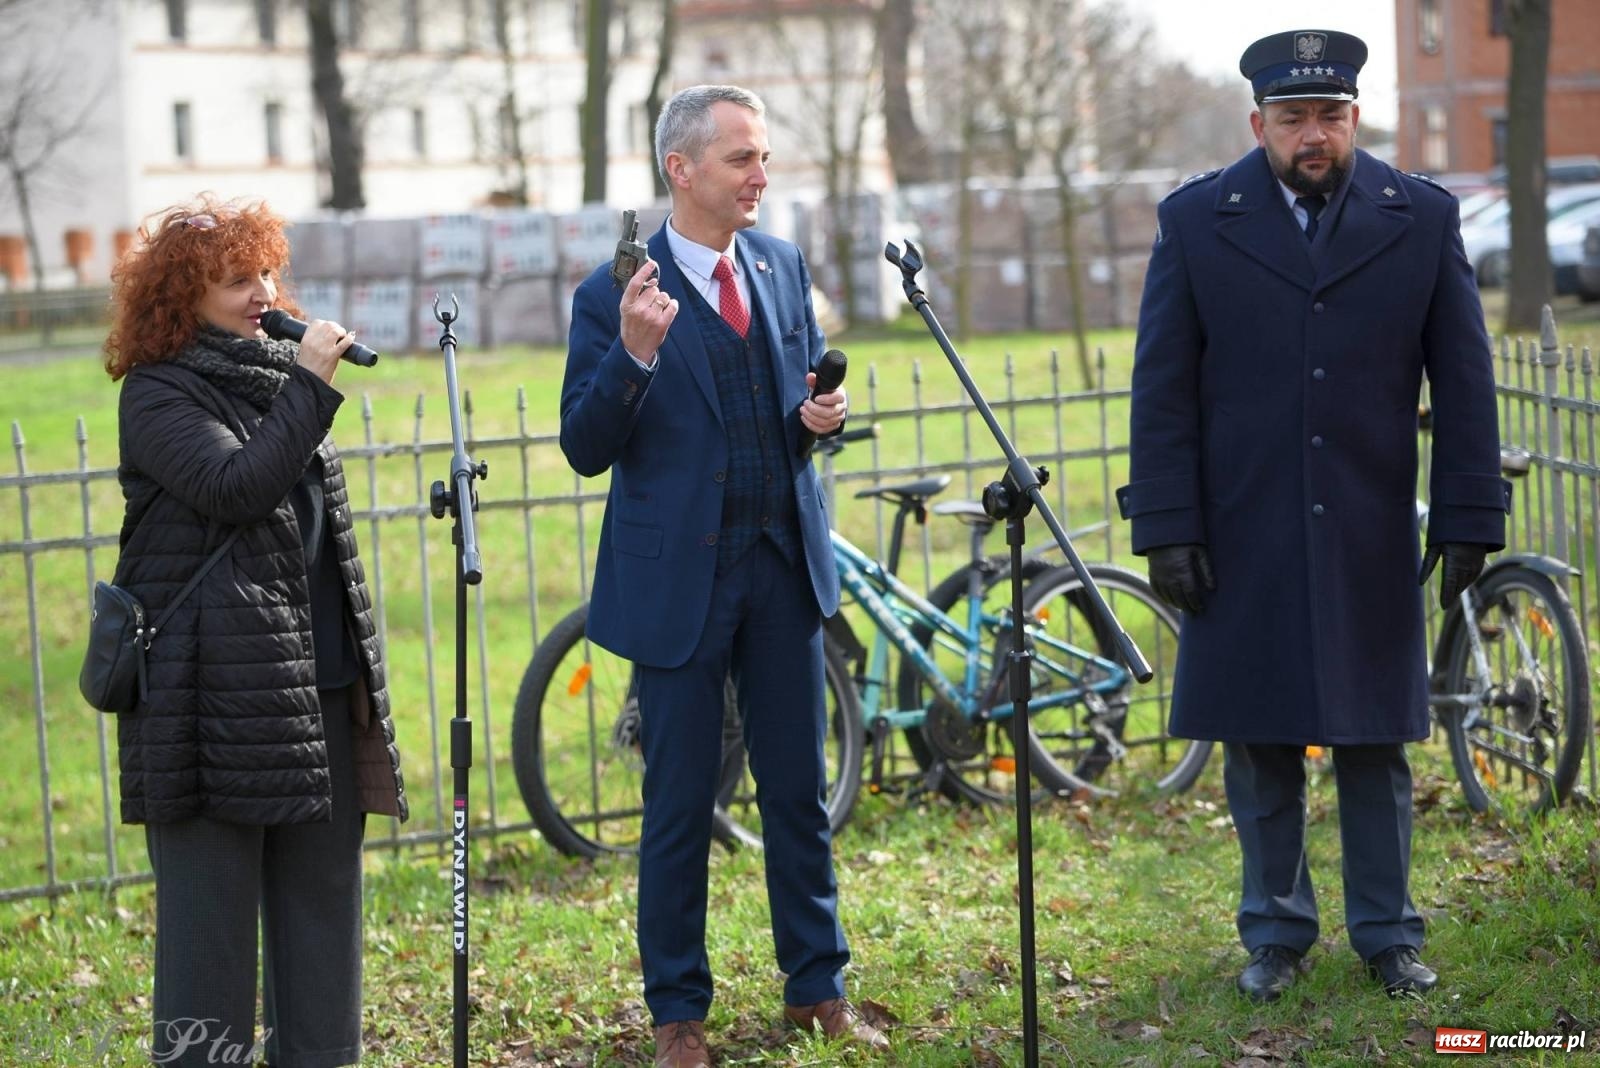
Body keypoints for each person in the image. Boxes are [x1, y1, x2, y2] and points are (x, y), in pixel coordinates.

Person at [1117, 30, 1508, 1004]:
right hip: (1242, 525)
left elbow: (1463, 380)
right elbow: (1161, 386)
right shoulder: (1199, 220)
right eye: (1292, 118)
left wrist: (1468, 515)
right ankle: (1276, 931)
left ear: (1354, 117)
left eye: (1328, 116)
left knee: (1375, 737)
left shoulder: (1417, 218)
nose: (1313, 135)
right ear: (1258, 124)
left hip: (1370, 525)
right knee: (1260, 740)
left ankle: (1387, 933)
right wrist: (1167, 525)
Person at [560, 85, 886, 1066]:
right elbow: (584, 446)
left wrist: (811, 424)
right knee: (677, 808)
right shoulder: (609, 293)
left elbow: (775, 410)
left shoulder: (781, 267)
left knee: (797, 790)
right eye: (741, 157)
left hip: (782, 569)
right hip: (679, 590)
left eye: (763, 156)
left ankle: (816, 989)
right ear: (681, 170)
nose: (760, 173)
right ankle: (677, 1016)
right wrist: (633, 355)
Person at [103, 195, 408, 1066]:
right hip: (212, 700)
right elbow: (237, 488)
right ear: (181, 299)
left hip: (316, 686)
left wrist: (299, 382)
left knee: (323, 925)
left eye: (267, 274)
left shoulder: (272, 376)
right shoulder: (159, 394)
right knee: (210, 940)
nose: (262, 292)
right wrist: (311, 385)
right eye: (238, 280)